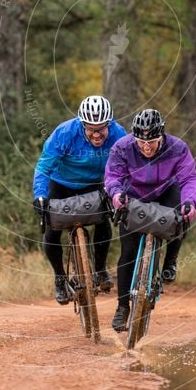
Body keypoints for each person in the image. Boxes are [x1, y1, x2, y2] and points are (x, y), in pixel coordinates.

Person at [104, 108, 196, 332]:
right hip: (134, 194)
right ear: (134, 138)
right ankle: (122, 307)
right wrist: (117, 195)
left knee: (181, 215)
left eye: (152, 142)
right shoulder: (122, 147)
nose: (146, 147)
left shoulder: (178, 148)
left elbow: (189, 178)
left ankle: (170, 262)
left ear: (161, 137)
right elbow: (112, 176)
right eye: (141, 143)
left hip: (166, 191)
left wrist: (190, 202)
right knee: (127, 252)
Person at [33, 95, 126, 304]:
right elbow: (43, 167)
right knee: (52, 229)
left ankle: (100, 269)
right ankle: (60, 278)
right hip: (61, 183)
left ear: (109, 124)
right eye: (91, 129)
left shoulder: (119, 134)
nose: (96, 134)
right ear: (82, 124)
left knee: (103, 220)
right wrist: (40, 195)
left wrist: (122, 191)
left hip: (95, 183)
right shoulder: (64, 133)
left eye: (101, 129)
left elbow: (126, 166)